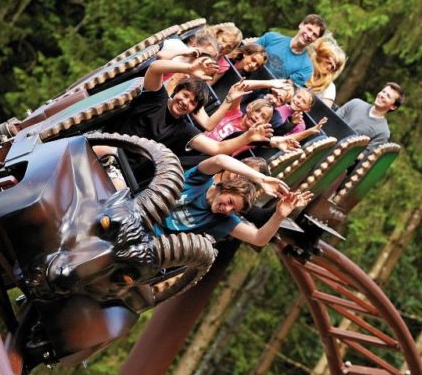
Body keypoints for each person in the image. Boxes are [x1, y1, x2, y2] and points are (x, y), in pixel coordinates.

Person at [104, 57, 273, 170]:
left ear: (195, 109)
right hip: (109, 146)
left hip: (122, 170)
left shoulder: (184, 129)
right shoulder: (157, 98)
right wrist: (189, 68)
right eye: (185, 95)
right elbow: (155, 68)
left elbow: (217, 148)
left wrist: (248, 137)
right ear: (177, 91)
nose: (185, 102)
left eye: (192, 102)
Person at [156, 154, 311, 247]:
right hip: (142, 212)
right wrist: (261, 179)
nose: (227, 210)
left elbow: (258, 239)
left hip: (151, 241)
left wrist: (280, 215)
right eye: (229, 201)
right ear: (223, 188)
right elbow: (219, 160)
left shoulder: (221, 219)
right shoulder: (201, 179)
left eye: (234, 210)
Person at [253, 14, 326, 86]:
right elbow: (248, 54)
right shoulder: (271, 38)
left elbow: (286, 88)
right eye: (309, 29)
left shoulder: (306, 68)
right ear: (301, 25)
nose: (309, 35)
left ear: (316, 40)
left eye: (314, 35)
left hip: (264, 94)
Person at [335, 82, 404, 152]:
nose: (382, 95)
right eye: (383, 92)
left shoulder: (383, 132)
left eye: (388, 96)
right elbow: (332, 120)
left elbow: (364, 156)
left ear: (393, 106)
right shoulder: (355, 103)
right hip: (328, 140)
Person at [305, 33, 346, 107]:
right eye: (328, 63)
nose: (330, 67)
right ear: (320, 57)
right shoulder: (302, 68)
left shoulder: (329, 88)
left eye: (334, 67)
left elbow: (322, 115)